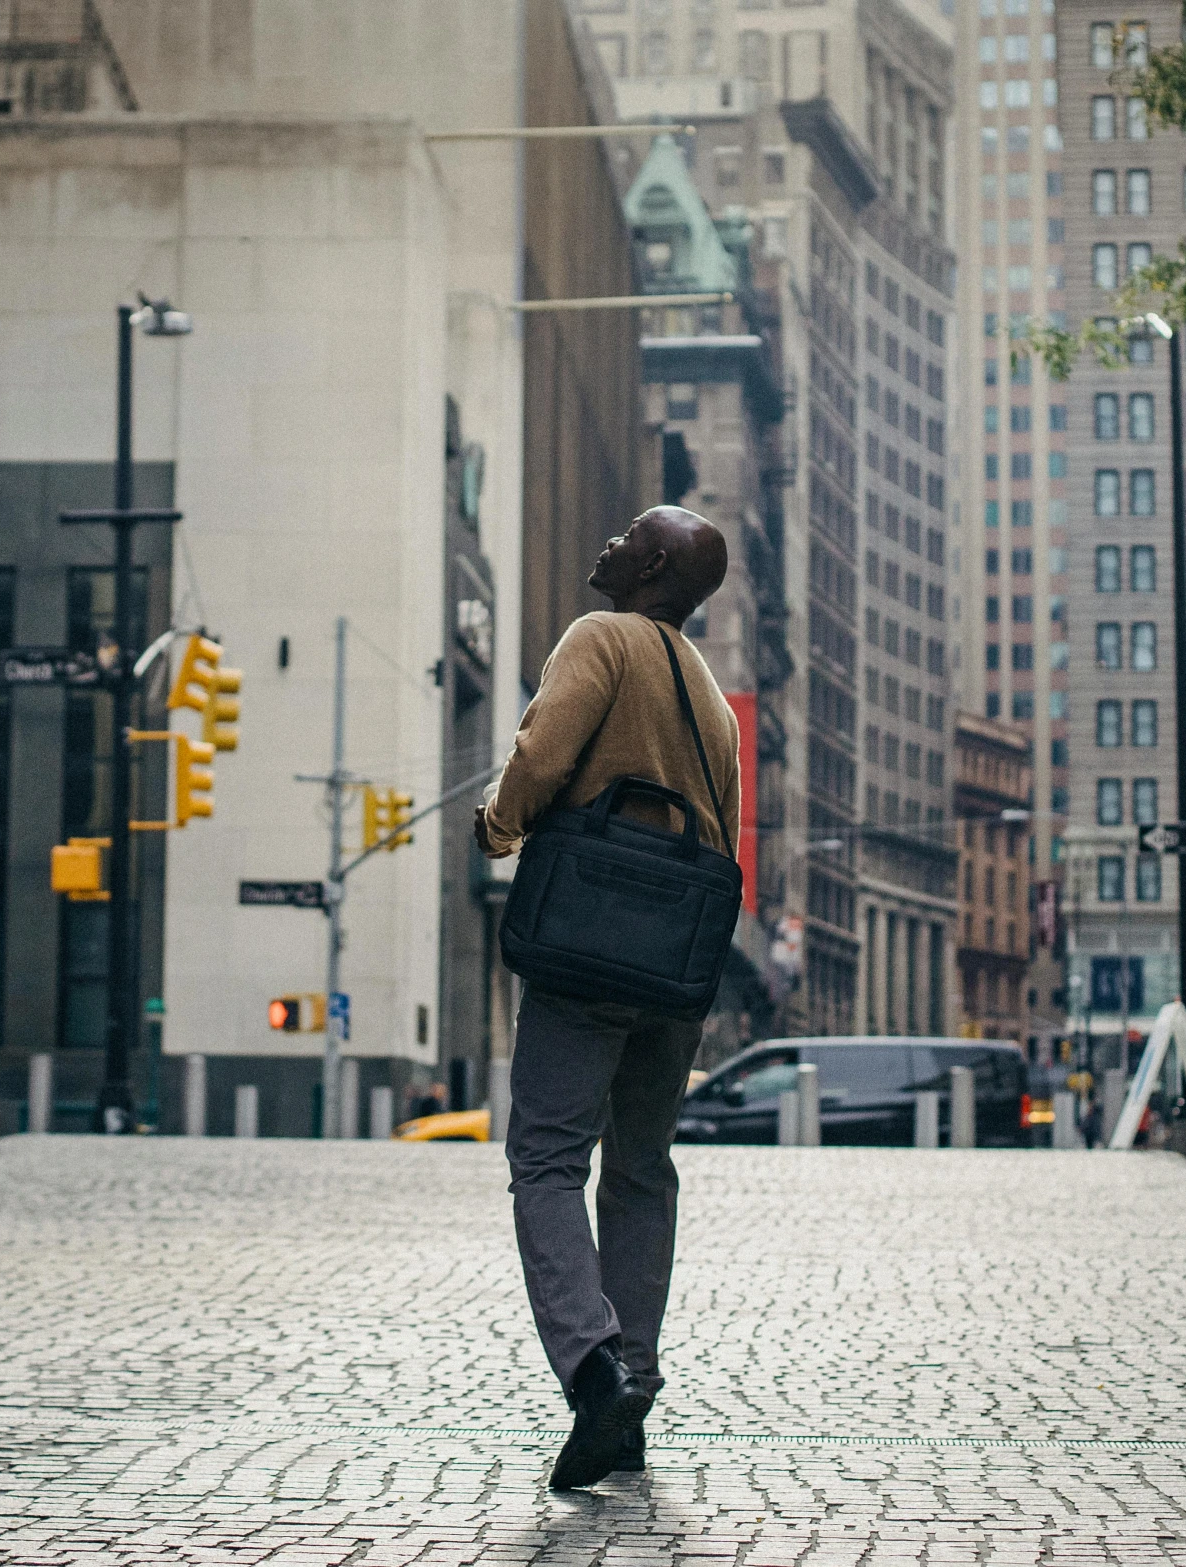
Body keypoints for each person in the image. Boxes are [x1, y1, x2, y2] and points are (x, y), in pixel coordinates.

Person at [475, 505, 738, 1491]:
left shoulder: (600, 639)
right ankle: (636, 1379)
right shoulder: (710, 695)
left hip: (588, 945)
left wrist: (498, 824)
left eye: (630, 536)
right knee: (640, 1172)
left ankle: (592, 1371)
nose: (609, 544)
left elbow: (542, 758)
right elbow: (723, 834)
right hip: (674, 969)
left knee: (544, 1157)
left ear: (654, 566)